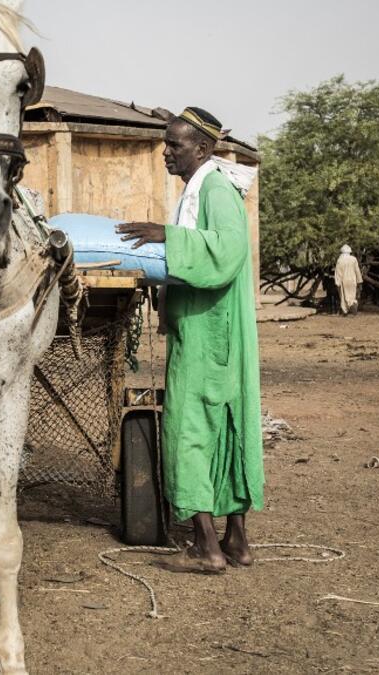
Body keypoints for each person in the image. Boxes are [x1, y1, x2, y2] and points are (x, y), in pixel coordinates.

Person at [115, 107, 264, 573]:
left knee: (189, 430)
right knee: (227, 427)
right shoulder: (205, 191)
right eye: (166, 143)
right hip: (213, 329)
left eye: (174, 145)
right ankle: (236, 541)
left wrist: (167, 237)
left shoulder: (216, 191)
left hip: (209, 331)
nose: (166, 153)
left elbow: (226, 252)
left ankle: (205, 549)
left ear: (202, 149)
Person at [333, 244, 362, 315]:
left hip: (344, 281)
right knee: (352, 295)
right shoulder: (354, 259)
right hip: (353, 280)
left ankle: (345, 310)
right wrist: (359, 280)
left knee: (343, 296)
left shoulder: (340, 260)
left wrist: (337, 282)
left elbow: (338, 272)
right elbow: (357, 270)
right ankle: (352, 305)